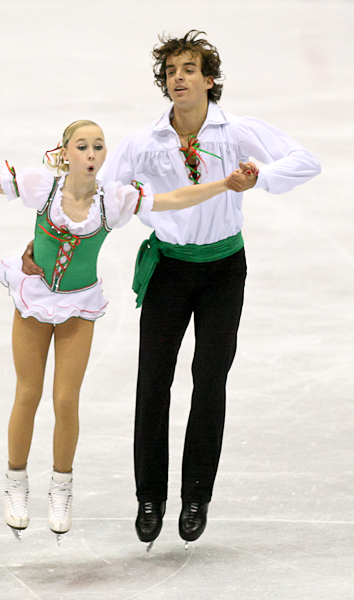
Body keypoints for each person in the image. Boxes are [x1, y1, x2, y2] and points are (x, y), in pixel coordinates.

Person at [0, 120, 255, 544]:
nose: (93, 153)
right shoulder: (43, 187)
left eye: (99, 146)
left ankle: (61, 489)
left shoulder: (113, 200)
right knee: (28, 391)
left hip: (79, 305)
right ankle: (16, 483)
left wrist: (225, 185)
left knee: (65, 399)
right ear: (65, 154)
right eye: (83, 146)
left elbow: (173, 199)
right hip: (34, 298)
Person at [22, 31, 321, 550]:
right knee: (153, 382)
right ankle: (150, 498)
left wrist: (261, 178)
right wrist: (44, 248)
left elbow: (305, 161)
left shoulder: (237, 132)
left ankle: (196, 495)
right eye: (171, 71)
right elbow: (94, 195)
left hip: (225, 270)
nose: (178, 78)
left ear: (209, 80)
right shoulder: (144, 141)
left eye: (189, 69)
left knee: (210, 379)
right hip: (169, 272)